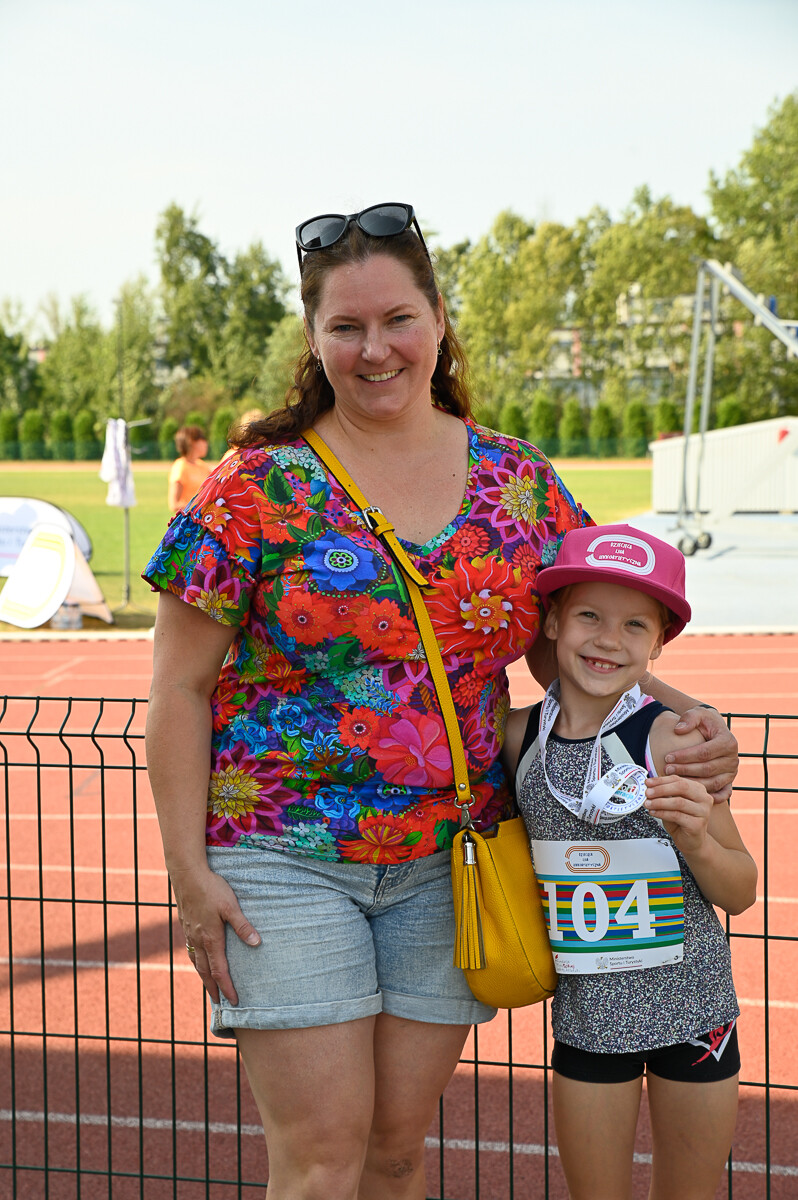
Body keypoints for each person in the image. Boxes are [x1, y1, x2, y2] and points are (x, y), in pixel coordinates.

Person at [143, 203, 740, 1200]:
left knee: (394, 1153)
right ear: (313, 337)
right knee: (323, 1158)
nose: (375, 349)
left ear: (438, 320)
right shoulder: (252, 490)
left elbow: (577, 647)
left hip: (450, 862)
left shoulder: (517, 483)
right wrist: (185, 872)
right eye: (346, 326)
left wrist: (685, 716)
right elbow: (178, 687)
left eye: (398, 320)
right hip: (283, 858)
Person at [502, 524, 757, 1200]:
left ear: (658, 644)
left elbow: (740, 891)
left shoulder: (673, 740)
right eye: (589, 615)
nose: (608, 639)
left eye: (634, 625)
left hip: (695, 1012)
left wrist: (698, 841)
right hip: (589, 1021)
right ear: (552, 622)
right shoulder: (516, 737)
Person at [167, 424, 212, 513]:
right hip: (190, 519)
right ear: (192, 442)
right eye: (203, 439)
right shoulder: (180, 467)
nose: (206, 443)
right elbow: (174, 504)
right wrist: (199, 506)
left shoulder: (203, 465)